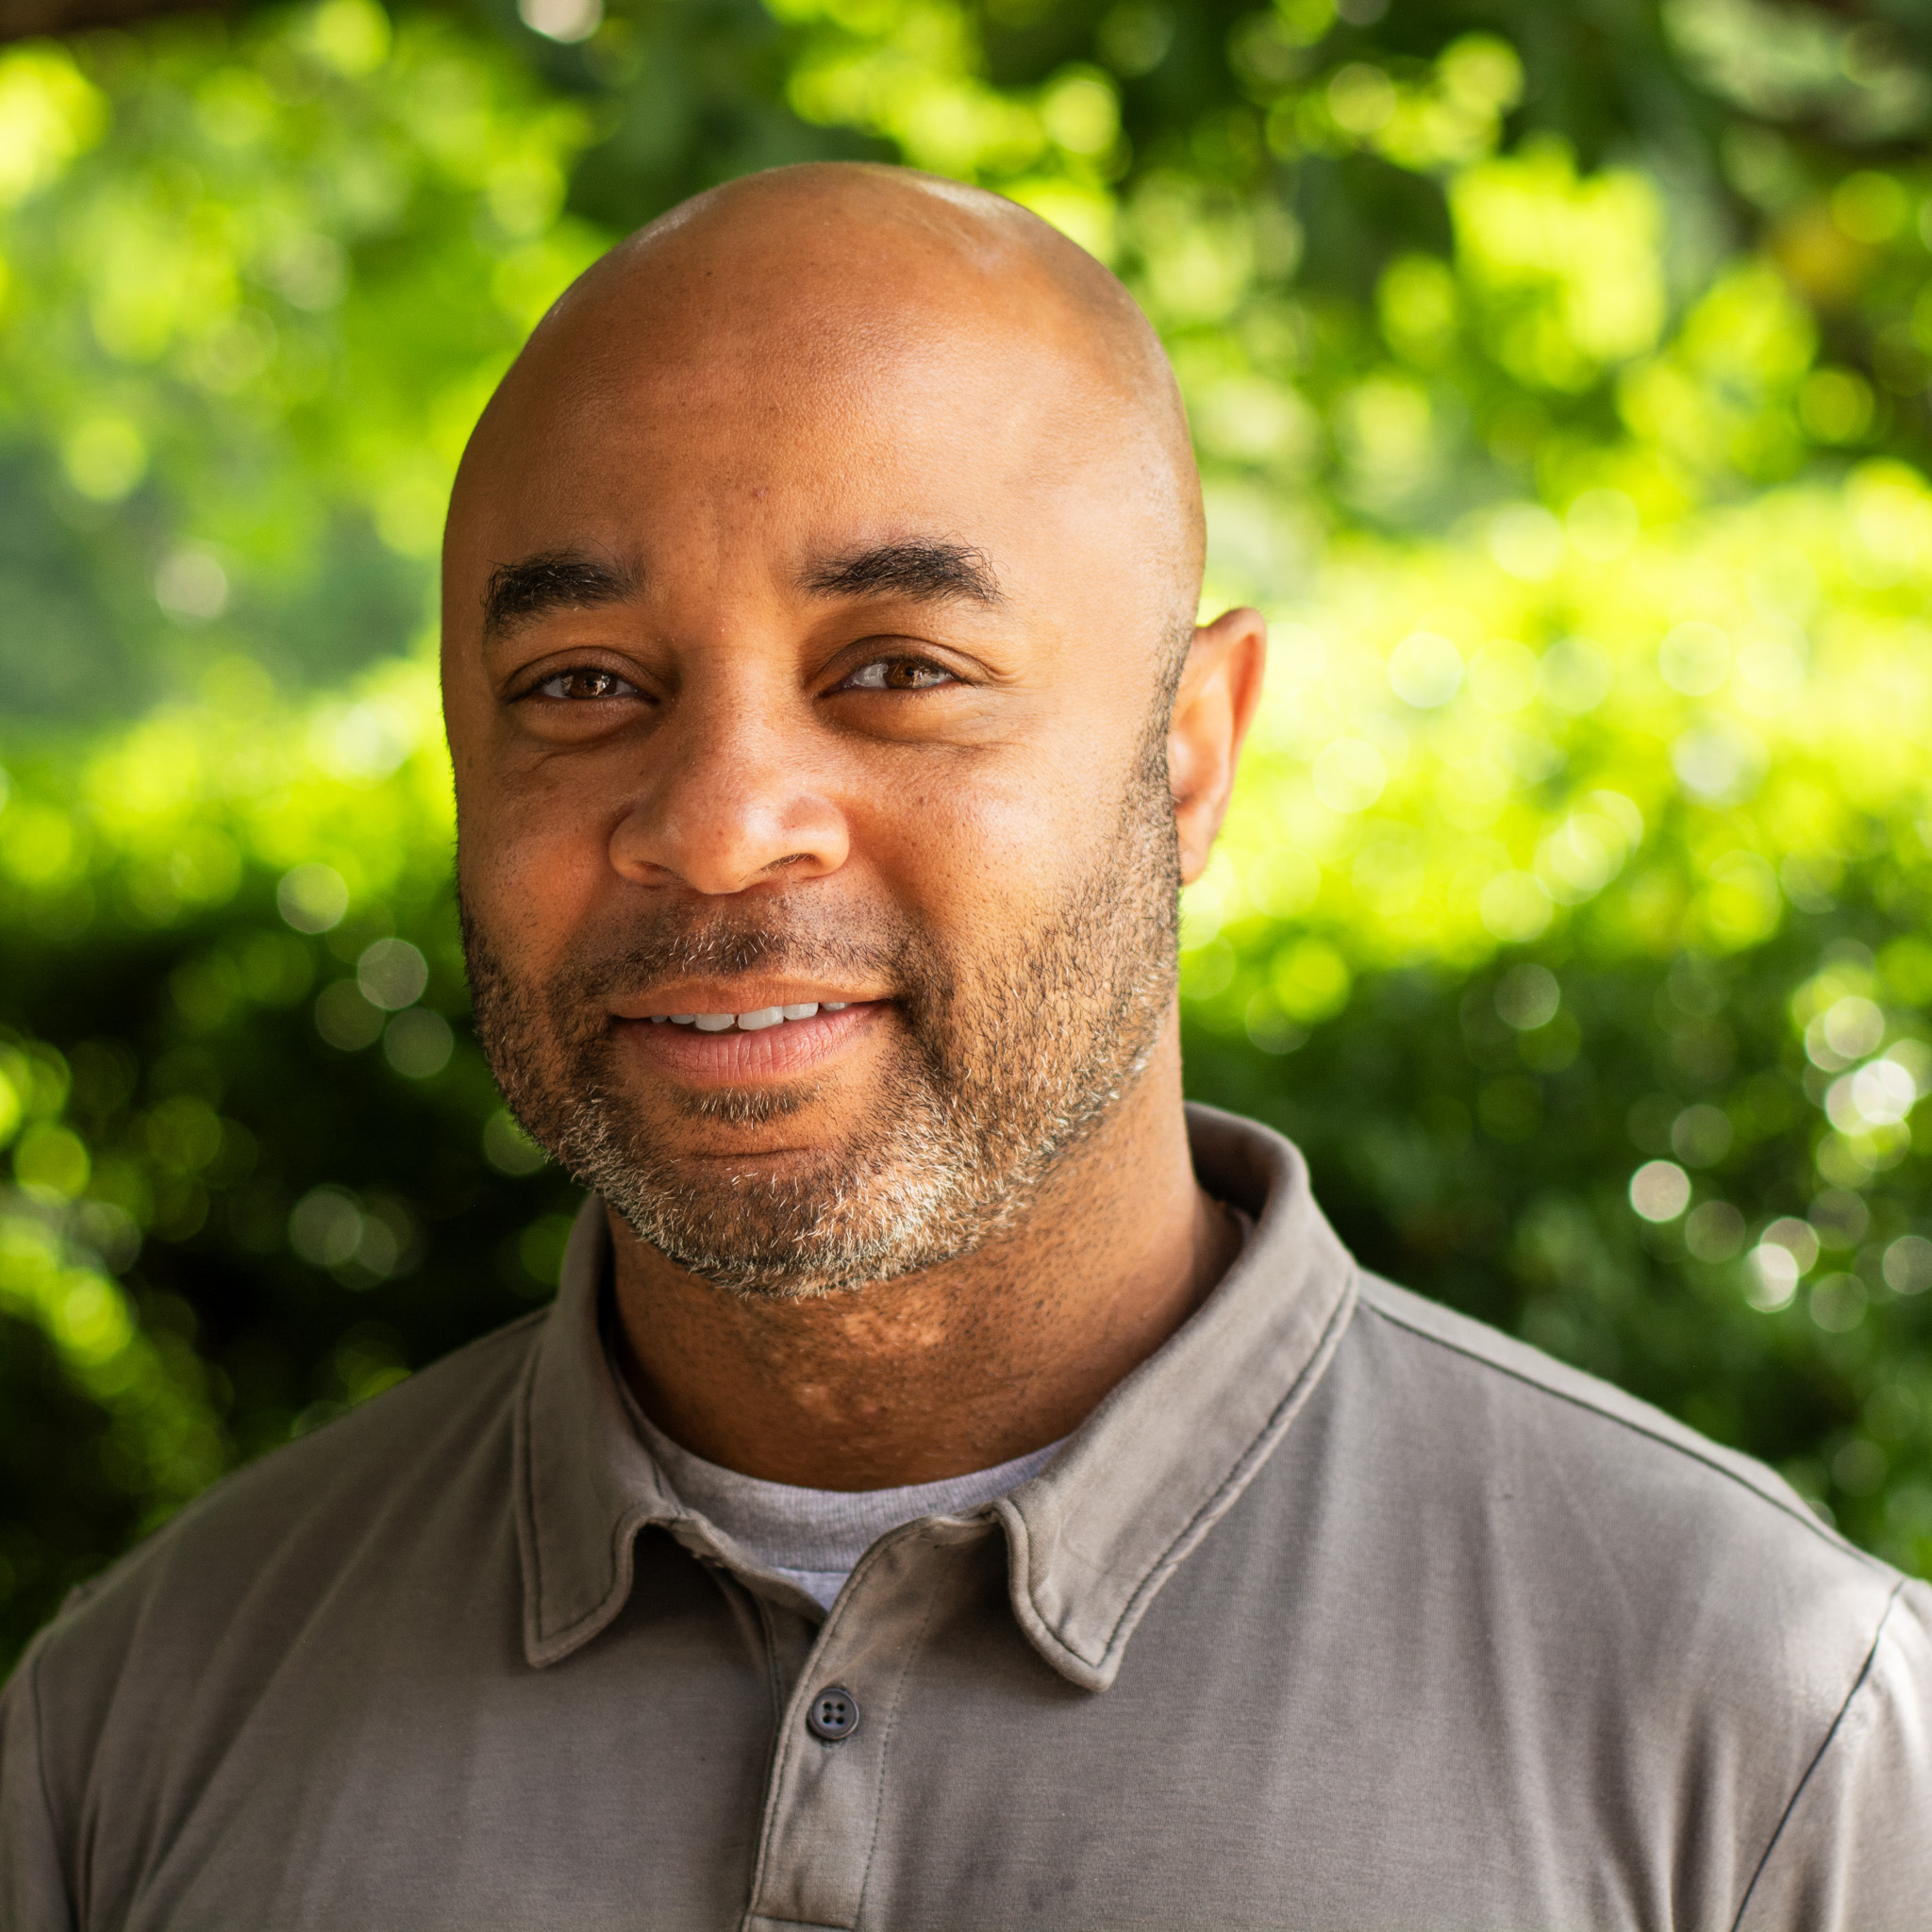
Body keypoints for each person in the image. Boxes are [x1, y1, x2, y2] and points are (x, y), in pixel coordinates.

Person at [3, 162, 1927, 1931]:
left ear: (1190, 757)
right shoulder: (130, 1734)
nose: (722, 821)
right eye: (580, 685)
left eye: (899, 670)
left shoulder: (1762, 1736)